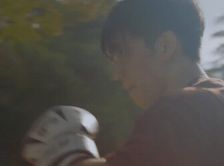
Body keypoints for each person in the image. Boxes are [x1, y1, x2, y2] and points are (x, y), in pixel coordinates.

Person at [22, 0, 224, 165]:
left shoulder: (185, 108)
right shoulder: (211, 104)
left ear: (165, 46)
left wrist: (68, 158)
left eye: (122, 54)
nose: (116, 74)